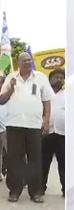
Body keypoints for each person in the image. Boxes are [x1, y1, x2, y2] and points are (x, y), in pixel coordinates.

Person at [0, 52, 54, 203]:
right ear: (18, 63)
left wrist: (46, 120)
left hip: (34, 125)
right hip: (14, 124)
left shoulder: (41, 78)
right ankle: (14, 191)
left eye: (29, 60)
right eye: (24, 60)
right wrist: (10, 88)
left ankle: (35, 192)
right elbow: (2, 100)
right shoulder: (11, 78)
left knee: (35, 159)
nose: (27, 62)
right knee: (15, 159)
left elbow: (47, 101)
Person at [42, 68, 65, 196]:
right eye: (57, 77)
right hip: (46, 133)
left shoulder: (68, 95)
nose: (60, 79)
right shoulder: (44, 94)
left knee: (64, 164)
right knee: (43, 163)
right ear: (50, 79)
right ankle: (40, 188)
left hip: (63, 134)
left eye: (62, 77)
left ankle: (66, 190)